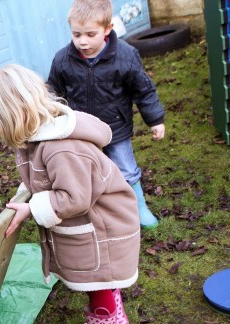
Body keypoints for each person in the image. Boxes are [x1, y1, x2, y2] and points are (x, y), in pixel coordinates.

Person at [0, 64, 140, 324]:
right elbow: (46, 178)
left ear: (12, 118)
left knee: (97, 283)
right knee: (103, 279)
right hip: (96, 221)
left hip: (103, 226)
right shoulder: (39, 139)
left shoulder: (59, 149)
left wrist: (31, 208)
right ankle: (117, 319)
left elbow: (74, 198)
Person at [47, 0, 165, 229]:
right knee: (84, 170)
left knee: (126, 168)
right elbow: (53, 92)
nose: (82, 41)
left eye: (90, 34)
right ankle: (95, 210)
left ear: (108, 29)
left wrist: (155, 120)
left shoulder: (126, 56)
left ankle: (138, 206)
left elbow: (143, 89)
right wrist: (51, 116)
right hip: (80, 129)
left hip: (115, 127)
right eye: (76, 34)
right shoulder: (63, 59)